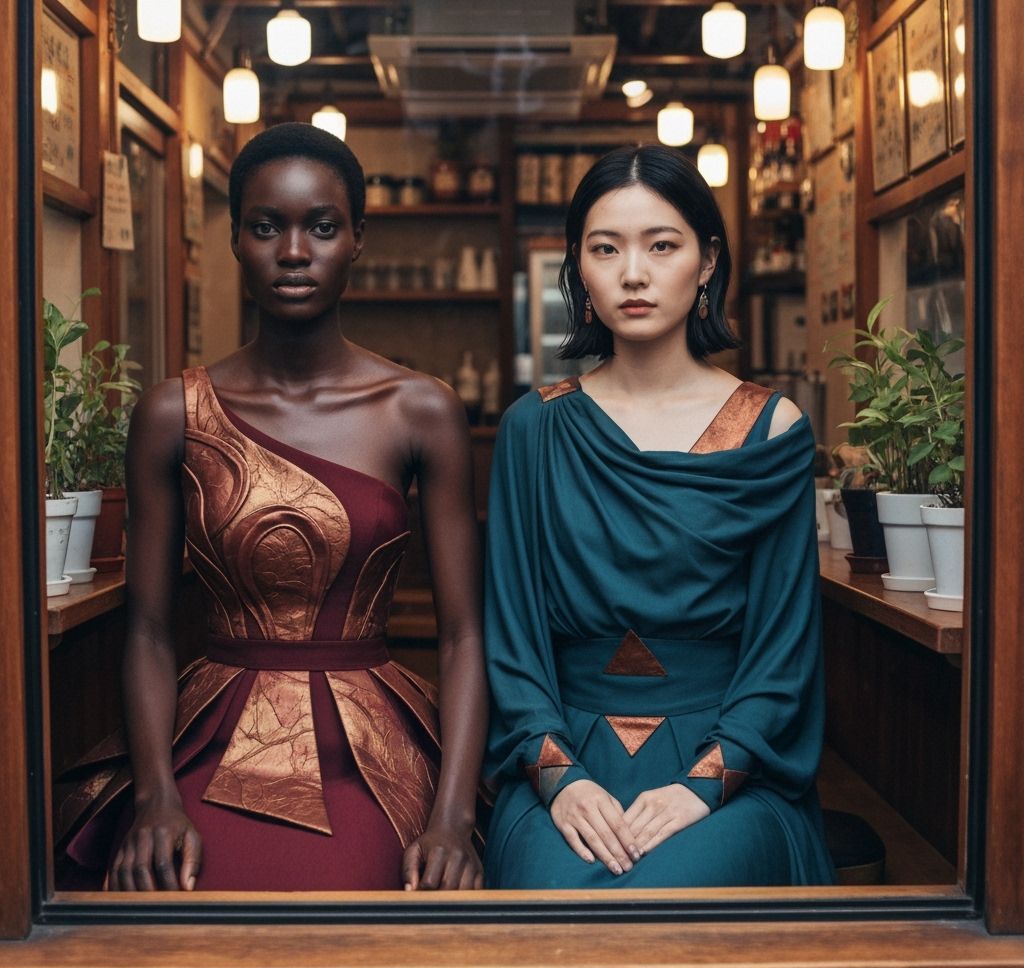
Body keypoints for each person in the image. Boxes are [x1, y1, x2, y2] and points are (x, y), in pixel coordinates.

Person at [56, 123, 487, 892]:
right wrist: (155, 798)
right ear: (236, 239)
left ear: (358, 237)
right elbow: (149, 629)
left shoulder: (420, 409)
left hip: (370, 744)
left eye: (321, 227)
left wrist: (452, 817)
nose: (294, 252)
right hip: (210, 736)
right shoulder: (173, 413)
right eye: (267, 227)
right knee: (174, 898)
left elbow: (461, 636)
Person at [483, 144, 834, 888]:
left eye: (662, 245)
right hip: (565, 764)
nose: (633, 273)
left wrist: (703, 785)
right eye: (605, 249)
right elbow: (511, 647)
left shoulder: (770, 429)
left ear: (707, 261)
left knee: (670, 896)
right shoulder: (533, 430)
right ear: (577, 268)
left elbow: (783, 656)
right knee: (559, 901)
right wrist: (560, 779)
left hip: (730, 764)